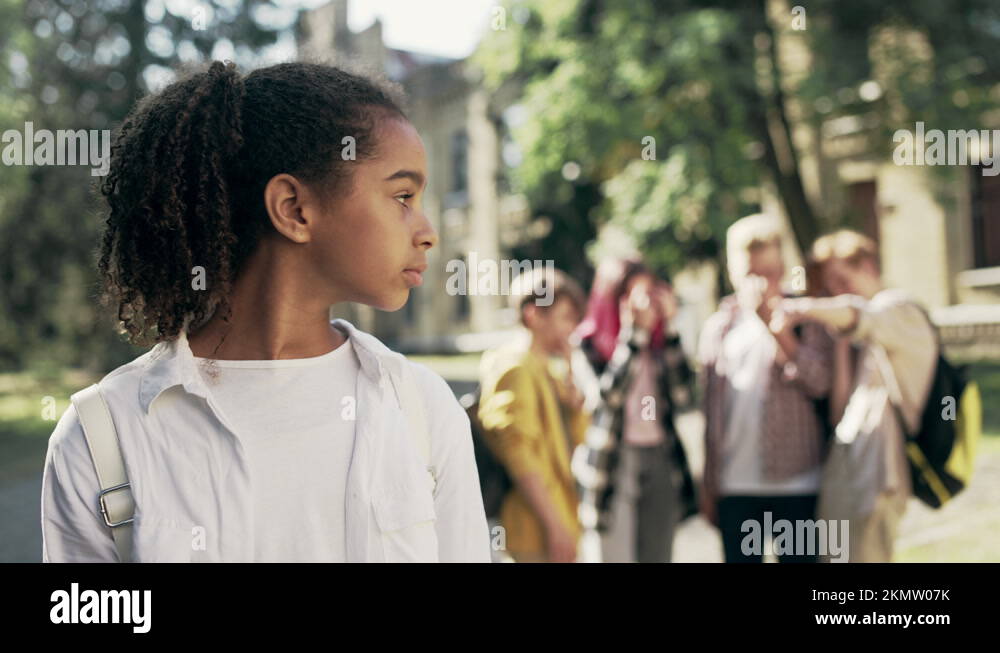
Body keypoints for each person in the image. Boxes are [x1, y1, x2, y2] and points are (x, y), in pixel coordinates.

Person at [40, 61, 490, 563]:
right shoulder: (100, 438)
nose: (428, 230)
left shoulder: (424, 411)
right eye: (402, 196)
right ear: (295, 209)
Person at [773, 229, 938, 562]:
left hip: (876, 475)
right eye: (829, 286)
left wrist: (803, 307)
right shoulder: (859, 336)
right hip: (850, 470)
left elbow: (857, 313)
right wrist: (842, 343)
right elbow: (839, 412)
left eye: (841, 280)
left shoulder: (899, 310)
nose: (836, 293)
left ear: (868, 267)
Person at [698, 214, 833, 563]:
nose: (760, 283)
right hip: (736, 486)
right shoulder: (719, 328)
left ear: (783, 269)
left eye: (769, 273)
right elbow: (711, 414)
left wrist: (776, 330)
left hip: (798, 483)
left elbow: (820, 383)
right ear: (733, 272)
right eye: (751, 274)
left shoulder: (803, 318)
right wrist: (710, 483)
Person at [572, 259, 698, 563]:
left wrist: (667, 331)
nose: (642, 305)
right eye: (631, 296)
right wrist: (633, 336)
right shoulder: (587, 343)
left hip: (660, 458)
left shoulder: (662, 346)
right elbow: (606, 397)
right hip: (613, 461)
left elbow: (685, 398)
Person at [477, 268, 590, 562]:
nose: (572, 328)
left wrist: (572, 394)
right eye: (565, 317)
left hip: (557, 519)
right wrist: (555, 527)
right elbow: (518, 453)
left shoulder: (547, 370)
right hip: (532, 528)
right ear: (533, 315)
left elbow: (575, 443)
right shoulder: (515, 366)